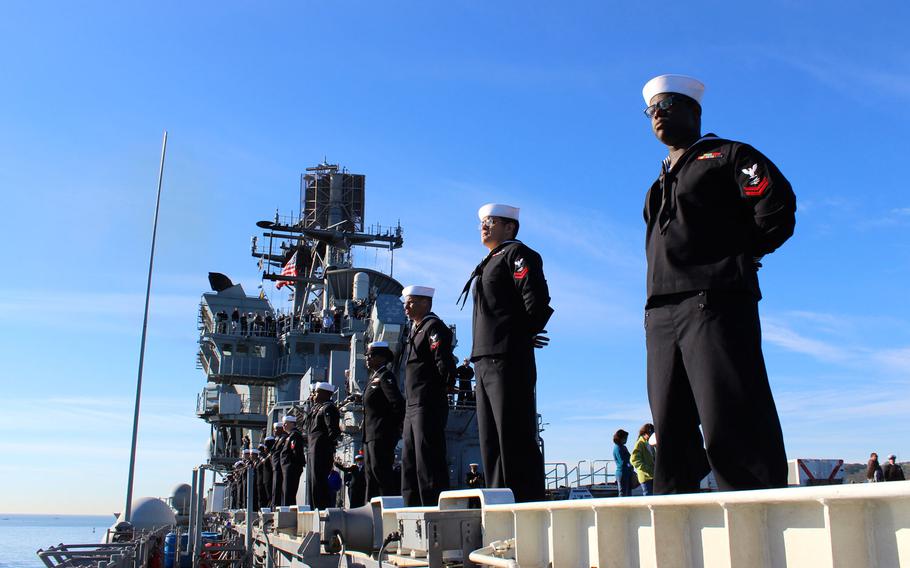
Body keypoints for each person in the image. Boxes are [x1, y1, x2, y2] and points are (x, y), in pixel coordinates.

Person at [640, 74, 796, 494]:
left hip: (715, 299)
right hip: (660, 311)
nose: (657, 114)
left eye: (667, 105)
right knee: (669, 421)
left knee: (729, 408)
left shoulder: (728, 156)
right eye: (651, 109)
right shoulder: (658, 182)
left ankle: (755, 508)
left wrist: (740, 256)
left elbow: (775, 208)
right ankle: (676, 512)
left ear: (694, 111)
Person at [459, 203, 553, 503]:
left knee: (513, 438)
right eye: (482, 222)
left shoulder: (517, 254)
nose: (484, 226)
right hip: (484, 360)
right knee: (491, 443)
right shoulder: (489, 261)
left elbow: (536, 299)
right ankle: (501, 506)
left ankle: (524, 508)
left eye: (491, 221)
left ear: (509, 227)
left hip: (506, 358)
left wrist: (521, 336)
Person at [400, 285, 456, 506]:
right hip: (412, 405)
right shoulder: (415, 330)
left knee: (428, 459)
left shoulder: (433, 327)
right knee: (410, 460)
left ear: (425, 303)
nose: (406, 306)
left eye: (411, 302)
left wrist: (443, 388)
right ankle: (410, 508)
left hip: (427, 402)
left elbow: (444, 361)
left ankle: (433, 509)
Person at [362, 341, 405, 499]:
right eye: (367, 355)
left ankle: (388, 509)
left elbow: (398, 403)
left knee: (380, 473)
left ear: (381, 358)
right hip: (370, 435)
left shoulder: (385, 376)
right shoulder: (374, 378)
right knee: (370, 475)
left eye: (371, 355)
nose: (367, 358)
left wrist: (390, 429)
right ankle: (370, 512)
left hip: (381, 434)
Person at [306, 382, 341, 509]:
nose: (314, 394)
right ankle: (314, 510)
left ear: (325, 394)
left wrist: (327, 447)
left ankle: (322, 511)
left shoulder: (328, 408)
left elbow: (333, 431)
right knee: (312, 483)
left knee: (320, 482)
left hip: (321, 450)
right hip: (313, 449)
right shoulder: (317, 408)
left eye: (317, 392)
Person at [279, 415, 305, 505]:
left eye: (285, 423)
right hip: (288, 468)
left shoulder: (295, 435)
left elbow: (296, 452)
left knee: (289, 492)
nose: (283, 426)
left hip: (291, 468)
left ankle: (288, 512)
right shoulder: (289, 436)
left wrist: (293, 466)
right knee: (286, 492)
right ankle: (287, 509)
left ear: (292, 424)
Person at [630, 424, 655, 495]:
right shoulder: (640, 443)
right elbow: (633, 460)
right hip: (645, 477)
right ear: (645, 433)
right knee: (648, 497)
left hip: (651, 476)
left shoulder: (649, 443)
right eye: (651, 433)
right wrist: (647, 468)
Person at [613, 429, 634, 497]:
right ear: (620, 438)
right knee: (623, 492)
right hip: (622, 472)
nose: (626, 440)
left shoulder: (623, 447)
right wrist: (629, 465)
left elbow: (629, 458)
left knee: (628, 492)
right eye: (625, 438)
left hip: (627, 472)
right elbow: (622, 461)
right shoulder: (618, 448)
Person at [270, 422, 286, 508]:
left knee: (278, 489)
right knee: (275, 489)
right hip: (276, 467)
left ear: (281, 429)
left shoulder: (284, 438)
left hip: (280, 467)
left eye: (276, 429)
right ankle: (274, 506)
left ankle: (276, 507)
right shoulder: (278, 439)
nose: (274, 431)